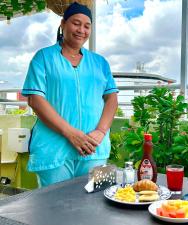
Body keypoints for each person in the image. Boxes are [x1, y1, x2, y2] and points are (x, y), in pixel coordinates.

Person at [22, 2, 118, 187]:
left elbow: (111, 98)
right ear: (63, 24)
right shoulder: (43, 57)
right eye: (76, 23)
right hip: (53, 149)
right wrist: (71, 134)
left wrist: (100, 131)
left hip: (94, 149)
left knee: (95, 207)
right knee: (55, 209)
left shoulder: (100, 63)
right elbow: (35, 99)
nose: (81, 29)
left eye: (87, 25)